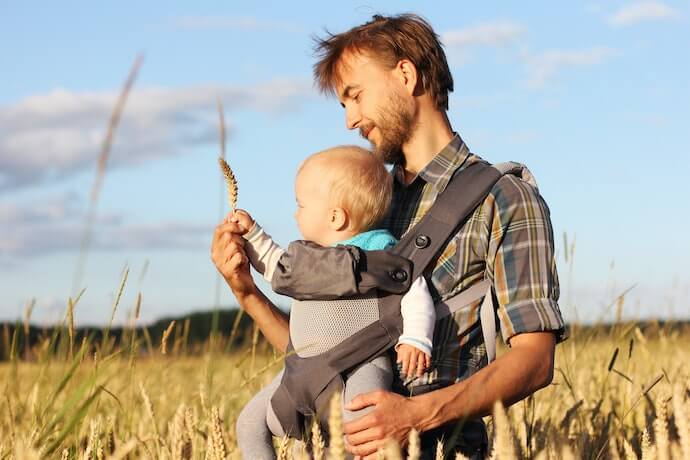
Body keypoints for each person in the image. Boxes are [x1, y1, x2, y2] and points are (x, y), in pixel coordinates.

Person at [211, 13, 566, 459]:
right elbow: (323, 356)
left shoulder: (504, 198)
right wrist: (247, 294)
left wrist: (418, 415)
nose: (350, 120)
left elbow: (535, 360)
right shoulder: (360, 204)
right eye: (343, 105)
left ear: (405, 75)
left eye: (354, 96)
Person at [232, 146, 437, 459]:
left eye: (301, 205)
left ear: (335, 217)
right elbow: (274, 263)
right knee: (249, 422)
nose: (295, 213)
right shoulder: (307, 260)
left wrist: (416, 338)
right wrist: (252, 234)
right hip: (302, 369)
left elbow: (413, 288)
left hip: (359, 364)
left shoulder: (378, 253)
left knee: (362, 424)